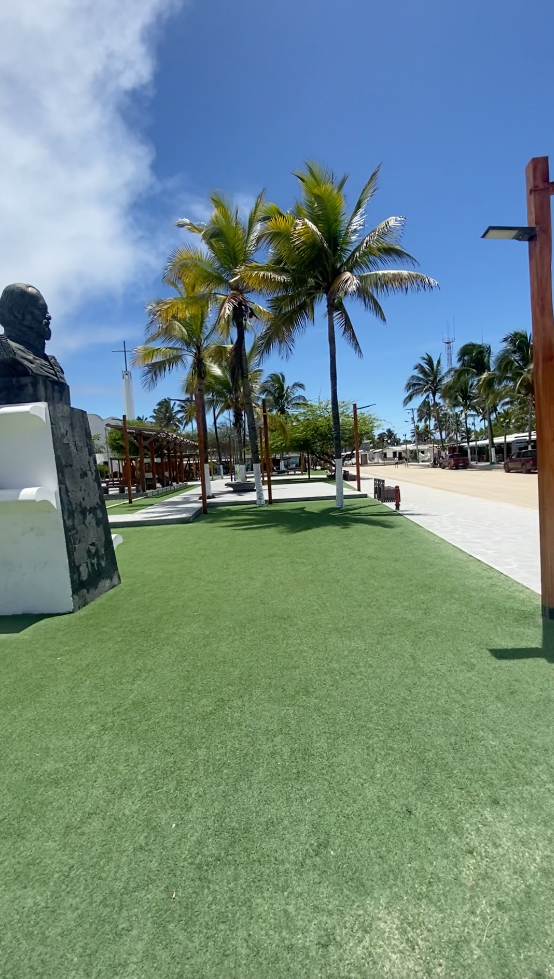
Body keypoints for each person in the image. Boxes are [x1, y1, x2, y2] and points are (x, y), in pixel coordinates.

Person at [0, 283, 66, 383]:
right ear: (18, 312)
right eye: (42, 309)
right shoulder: (4, 353)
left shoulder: (53, 364)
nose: (48, 316)